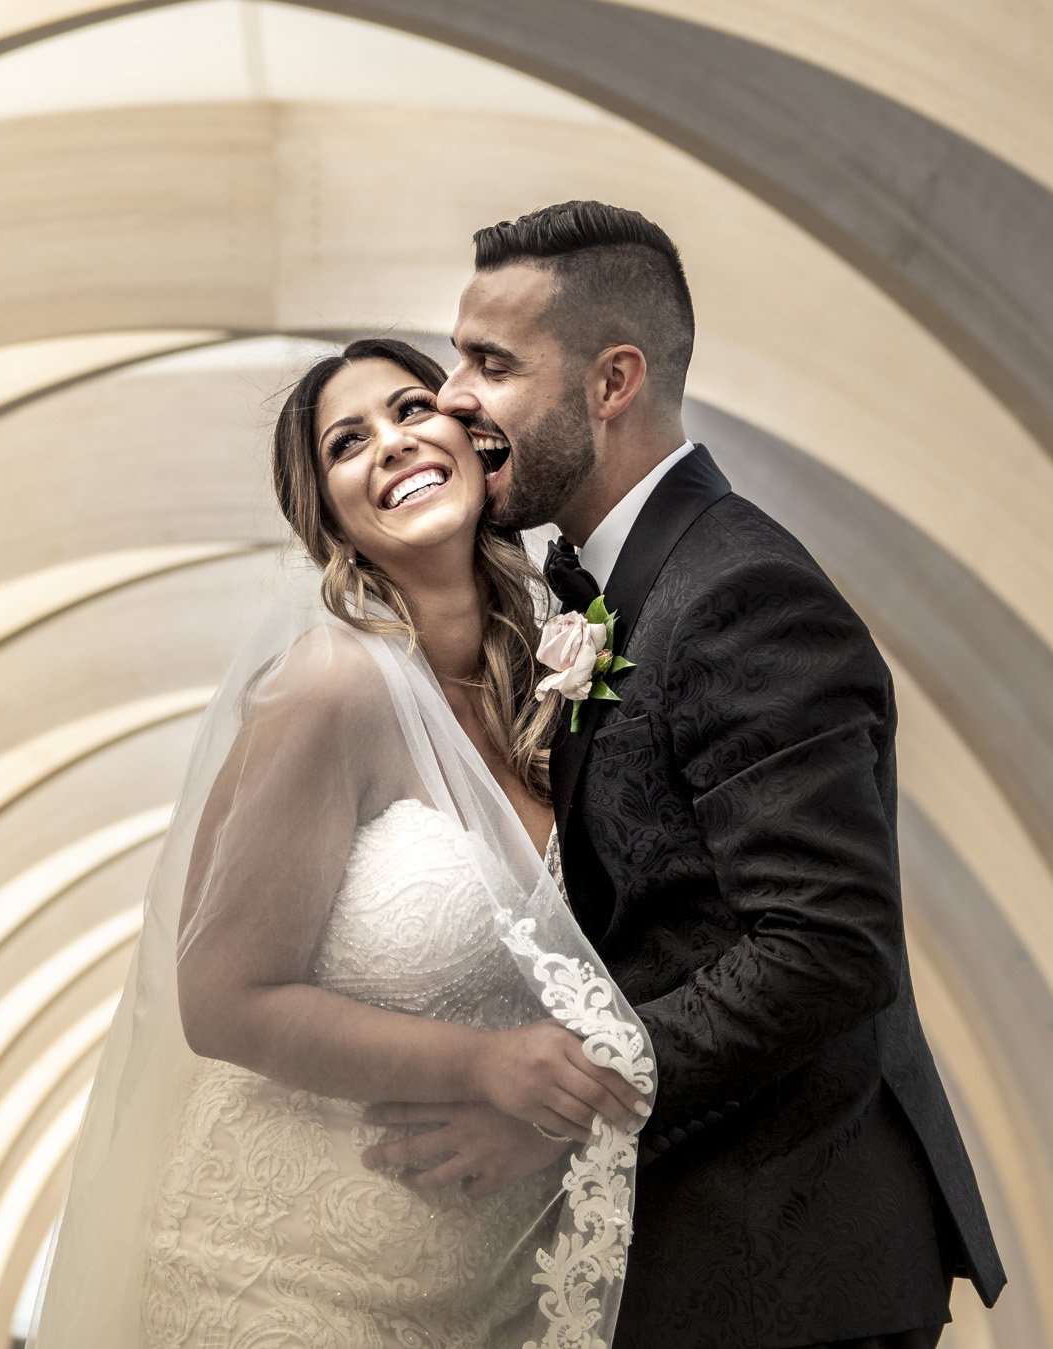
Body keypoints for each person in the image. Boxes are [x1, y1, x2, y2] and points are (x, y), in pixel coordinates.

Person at [363, 200, 1007, 1347]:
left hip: (787, 1272)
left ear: (611, 380)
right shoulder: (606, 592)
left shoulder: (740, 596)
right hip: (697, 1259)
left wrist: (559, 1111)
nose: (452, 395)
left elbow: (822, 944)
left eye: (491, 362)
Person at [31, 337, 654, 1349]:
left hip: (492, 1298)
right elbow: (221, 998)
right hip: (282, 1283)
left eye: (413, 409)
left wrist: (548, 1112)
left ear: (470, 436)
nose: (392, 444)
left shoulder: (560, 689)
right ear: (328, 518)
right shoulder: (330, 688)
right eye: (347, 441)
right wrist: (485, 1065)